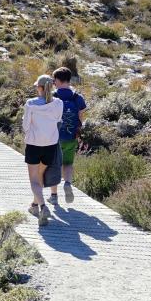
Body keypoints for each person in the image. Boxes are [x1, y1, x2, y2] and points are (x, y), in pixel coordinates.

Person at [23, 74, 63, 226]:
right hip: (50, 146)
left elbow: (26, 126)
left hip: (34, 145)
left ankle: (42, 207)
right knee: (40, 175)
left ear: (39, 88)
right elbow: (58, 120)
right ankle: (34, 206)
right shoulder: (58, 103)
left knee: (33, 180)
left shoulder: (31, 104)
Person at [49, 66, 87, 205]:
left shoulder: (52, 96)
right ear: (69, 80)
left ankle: (54, 196)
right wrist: (79, 132)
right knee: (68, 163)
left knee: (54, 165)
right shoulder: (77, 97)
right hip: (71, 136)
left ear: (58, 80)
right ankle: (68, 183)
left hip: (54, 137)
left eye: (54, 80)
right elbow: (81, 116)